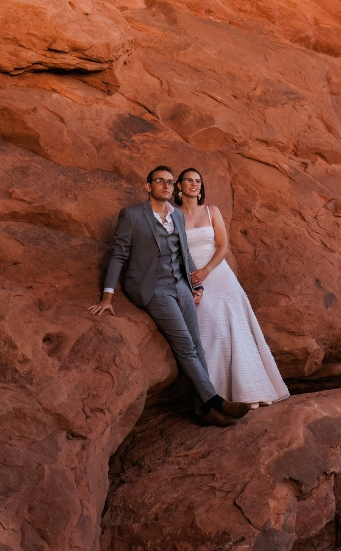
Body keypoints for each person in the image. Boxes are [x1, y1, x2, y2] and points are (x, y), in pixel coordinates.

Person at [88, 166, 252, 427]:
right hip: (153, 289)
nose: (165, 185)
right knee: (185, 345)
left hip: (180, 285)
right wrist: (107, 296)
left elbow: (183, 254)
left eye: (169, 182)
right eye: (159, 181)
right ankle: (215, 402)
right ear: (148, 186)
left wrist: (194, 286)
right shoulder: (131, 215)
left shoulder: (176, 215)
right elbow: (118, 255)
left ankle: (204, 410)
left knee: (198, 345)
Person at [176, 168, 289, 407]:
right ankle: (218, 395)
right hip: (193, 277)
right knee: (210, 329)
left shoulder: (211, 211)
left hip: (218, 273)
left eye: (198, 181)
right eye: (189, 180)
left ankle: (251, 391)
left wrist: (206, 271)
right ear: (179, 186)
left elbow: (223, 246)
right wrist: (190, 278)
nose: (194, 184)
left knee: (236, 326)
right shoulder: (174, 216)